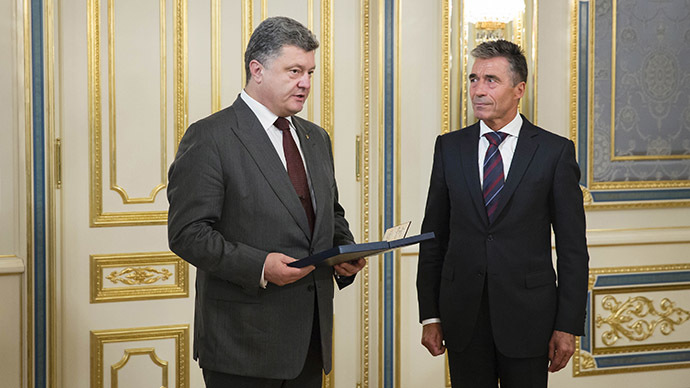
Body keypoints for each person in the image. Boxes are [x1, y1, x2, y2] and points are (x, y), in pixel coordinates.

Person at [167, 16, 366, 388]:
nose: (306, 83)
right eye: (294, 71)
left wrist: (343, 250)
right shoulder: (210, 137)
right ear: (256, 70)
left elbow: (329, 213)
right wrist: (260, 266)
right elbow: (187, 234)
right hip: (241, 346)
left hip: (309, 342)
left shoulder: (315, 137)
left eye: (310, 72)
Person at [416, 39, 589, 387]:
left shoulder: (554, 153)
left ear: (518, 89)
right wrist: (430, 316)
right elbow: (434, 236)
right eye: (473, 79)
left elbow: (572, 249)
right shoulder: (449, 147)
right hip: (463, 319)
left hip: (529, 319)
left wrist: (567, 325)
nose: (478, 90)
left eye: (490, 80)